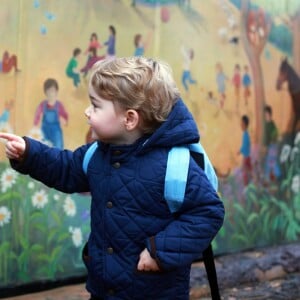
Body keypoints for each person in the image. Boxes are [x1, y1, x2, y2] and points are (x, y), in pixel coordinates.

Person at [0, 57, 224, 300]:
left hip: (154, 292)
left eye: (95, 106)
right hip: (103, 288)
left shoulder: (174, 165)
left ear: (129, 119)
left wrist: (161, 252)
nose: (87, 112)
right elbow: (66, 169)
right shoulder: (98, 154)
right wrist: (30, 154)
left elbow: (208, 212)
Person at [33, 78, 68, 148]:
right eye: (49, 91)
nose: (51, 93)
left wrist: (65, 120)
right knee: (45, 148)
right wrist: (35, 124)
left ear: (56, 92)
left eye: (53, 91)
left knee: (58, 148)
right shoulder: (43, 105)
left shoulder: (59, 105)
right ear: (45, 92)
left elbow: (65, 115)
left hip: (56, 132)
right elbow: (37, 114)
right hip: (45, 131)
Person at [263, 105, 281, 182]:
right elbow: (266, 137)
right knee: (271, 162)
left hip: (273, 146)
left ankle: (272, 177)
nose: (266, 117)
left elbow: (275, 134)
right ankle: (276, 176)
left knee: (271, 162)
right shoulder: (267, 125)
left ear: (270, 115)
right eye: (265, 115)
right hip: (270, 146)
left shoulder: (271, 124)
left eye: (267, 115)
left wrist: (273, 139)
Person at [238, 115, 252, 186]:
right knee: (248, 171)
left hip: (246, 157)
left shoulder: (246, 135)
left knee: (246, 172)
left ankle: (247, 185)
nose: (241, 125)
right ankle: (248, 184)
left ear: (245, 125)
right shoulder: (245, 134)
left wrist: (240, 151)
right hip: (247, 156)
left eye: (242, 124)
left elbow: (245, 145)